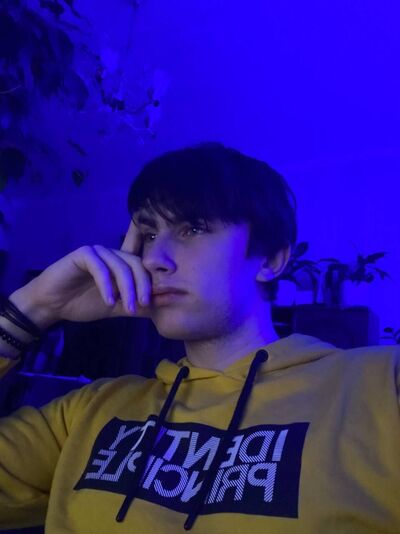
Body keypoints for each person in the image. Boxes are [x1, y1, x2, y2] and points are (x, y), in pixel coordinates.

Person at [0, 142, 399, 533]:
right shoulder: (89, 412)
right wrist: (33, 308)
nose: (153, 259)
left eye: (192, 228)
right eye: (149, 235)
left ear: (270, 259)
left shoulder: (379, 385)